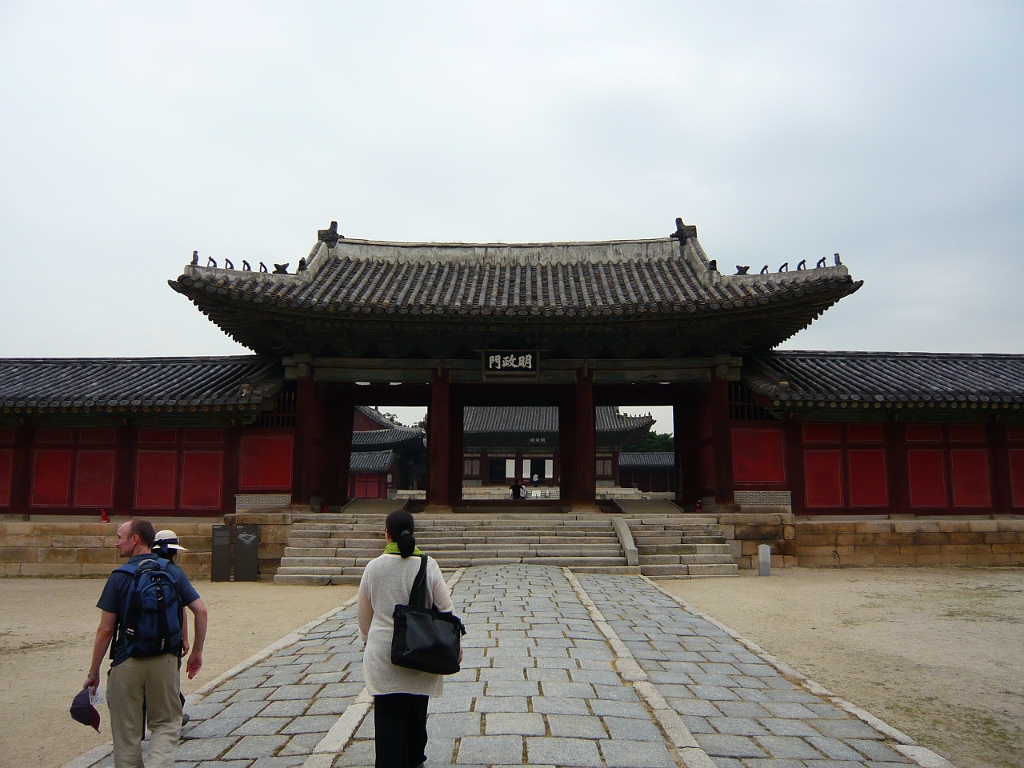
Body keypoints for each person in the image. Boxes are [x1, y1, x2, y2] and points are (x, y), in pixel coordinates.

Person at [84, 519, 208, 768]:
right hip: (165, 660)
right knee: (165, 724)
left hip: (127, 660)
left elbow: (105, 630)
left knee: (126, 733)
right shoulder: (173, 572)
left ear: (135, 539)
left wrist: (93, 672)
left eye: (120, 536)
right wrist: (196, 651)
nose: (116, 542)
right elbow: (201, 611)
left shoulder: (119, 577)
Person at [358, 510, 459, 768]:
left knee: (387, 722)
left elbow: (364, 618)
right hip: (421, 652)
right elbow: (447, 611)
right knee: (416, 719)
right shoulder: (428, 565)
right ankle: (415, 761)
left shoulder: (373, 568)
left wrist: (368, 642)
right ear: (412, 533)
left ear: (387, 534)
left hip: (384, 655)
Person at [153, 530, 191, 726]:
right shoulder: (175, 572)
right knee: (169, 679)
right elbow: (189, 608)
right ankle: (175, 713)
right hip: (170, 633)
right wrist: (186, 638)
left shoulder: (135, 568)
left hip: (137, 635)